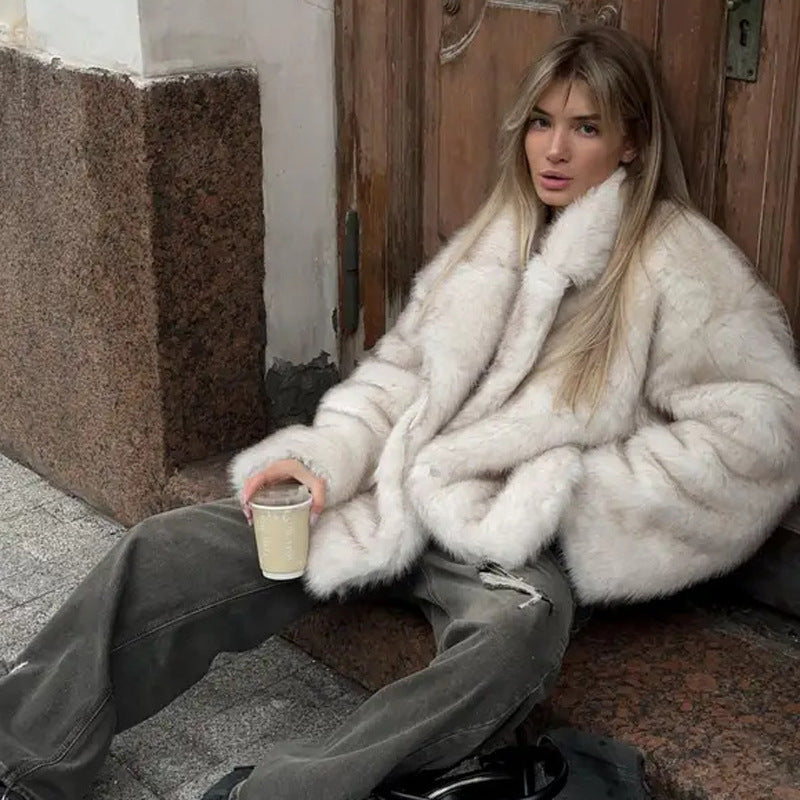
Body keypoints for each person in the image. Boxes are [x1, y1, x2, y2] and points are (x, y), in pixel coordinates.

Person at [2, 24, 800, 800]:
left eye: (586, 128)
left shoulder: (675, 257)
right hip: (393, 497)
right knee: (168, 547)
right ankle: (25, 752)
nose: (554, 150)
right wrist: (320, 460)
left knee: (514, 638)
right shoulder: (498, 236)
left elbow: (763, 429)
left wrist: (561, 493)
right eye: (541, 123)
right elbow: (399, 375)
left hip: (506, 545)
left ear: (631, 143)